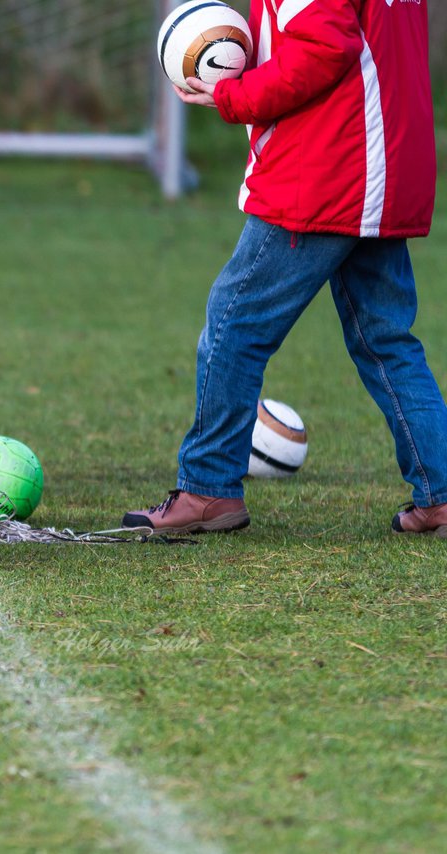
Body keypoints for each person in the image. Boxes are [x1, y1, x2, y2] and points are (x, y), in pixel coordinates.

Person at [123, 0, 447, 537]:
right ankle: (440, 496)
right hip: (382, 165)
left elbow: (322, 50)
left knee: (234, 324)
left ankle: (207, 488)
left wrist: (231, 93)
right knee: (387, 340)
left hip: (325, 170)